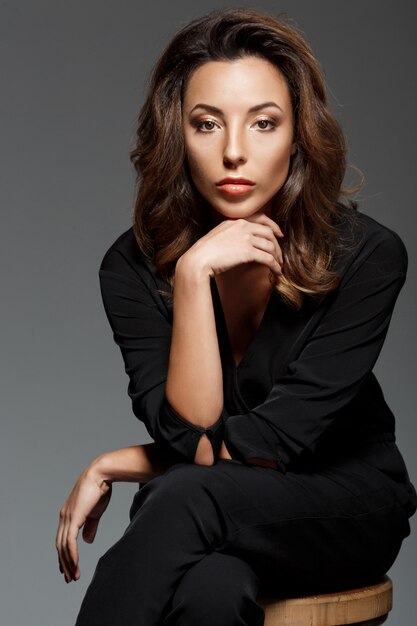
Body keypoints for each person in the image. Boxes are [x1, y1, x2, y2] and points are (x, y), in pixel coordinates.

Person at [56, 8, 417, 626]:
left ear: (300, 134)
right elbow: (190, 437)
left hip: (343, 507)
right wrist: (195, 277)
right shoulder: (131, 268)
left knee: (182, 496)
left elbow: (268, 448)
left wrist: (112, 461)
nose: (233, 152)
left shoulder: (367, 256)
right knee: (212, 588)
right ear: (178, 136)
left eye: (264, 123)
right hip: (215, 504)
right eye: (206, 124)